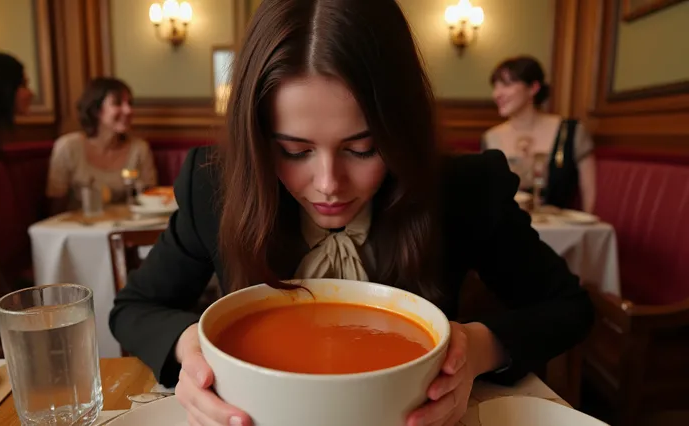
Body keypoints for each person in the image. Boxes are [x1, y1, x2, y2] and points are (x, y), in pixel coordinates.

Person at [109, 1, 594, 426]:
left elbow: (568, 308)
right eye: (294, 151)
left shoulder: (463, 190)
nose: (327, 184)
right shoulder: (213, 187)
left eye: (363, 148)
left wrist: (477, 349)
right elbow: (134, 308)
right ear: (258, 140)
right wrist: (190, 348)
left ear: (400, 131)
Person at [482, 56, 597, 213]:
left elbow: (589, 195)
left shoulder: (570, 132)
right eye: (495, 86)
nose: (497, 94)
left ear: (533, 88)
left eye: (506, 85)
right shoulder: (491, 137)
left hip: (558, 232)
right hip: (505, 231)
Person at [46, 77, 157, 214]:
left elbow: (149, 201)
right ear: (96, 110)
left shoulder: (139, 149)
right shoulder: (68, 147)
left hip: (125, 228)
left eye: (130, 103)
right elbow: (56, 207)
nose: (128, 110)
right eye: (117, 103)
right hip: (79, 229)